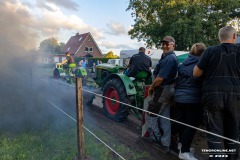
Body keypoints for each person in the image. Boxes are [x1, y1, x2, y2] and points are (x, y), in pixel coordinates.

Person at [193, 26, 240, 159]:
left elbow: (196, 73)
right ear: (234, 36)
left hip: (212, 96)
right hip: (236, 97)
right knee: (234, 132)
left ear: (219, 38)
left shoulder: (210, 50)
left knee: (215, 134)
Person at [174, 43, 206, 160]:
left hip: (178, 97)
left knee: (184, 122)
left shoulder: (184, 63)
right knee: (192, 124)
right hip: (192, 99)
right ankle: (184, 151)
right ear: (203, 52)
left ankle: (181, 145)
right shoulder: (201, 64)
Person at [147, 36, 179, 151]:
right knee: (164, 117)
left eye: (167, 43)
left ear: (173, 45)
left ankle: (155, 139)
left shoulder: (169, 59)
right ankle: (166, 143)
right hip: (167, 89)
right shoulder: (168, 57)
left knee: (151, 114)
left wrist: (151, 87)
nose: (164, 45)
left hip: (162, 90)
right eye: (163, 43)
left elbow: (160, 78)